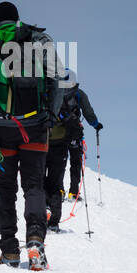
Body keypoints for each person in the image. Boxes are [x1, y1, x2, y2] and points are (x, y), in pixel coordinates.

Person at [0, 0, 63, 270]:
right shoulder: (41, 40)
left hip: (0, 129)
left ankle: (9, 250)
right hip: (35, 126)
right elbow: (57, 79)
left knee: (5, 187)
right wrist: (51, 115)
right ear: (18, 19)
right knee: (34, 185)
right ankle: (35, 242)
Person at [44, 73, 102, 230]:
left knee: (55, 168)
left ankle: (60, 191)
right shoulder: (78, 93)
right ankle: (73, 192)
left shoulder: (52, 90)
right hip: (74, 131)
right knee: (76, 161)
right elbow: (88, 112)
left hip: (54, 135)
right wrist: (96, 124)